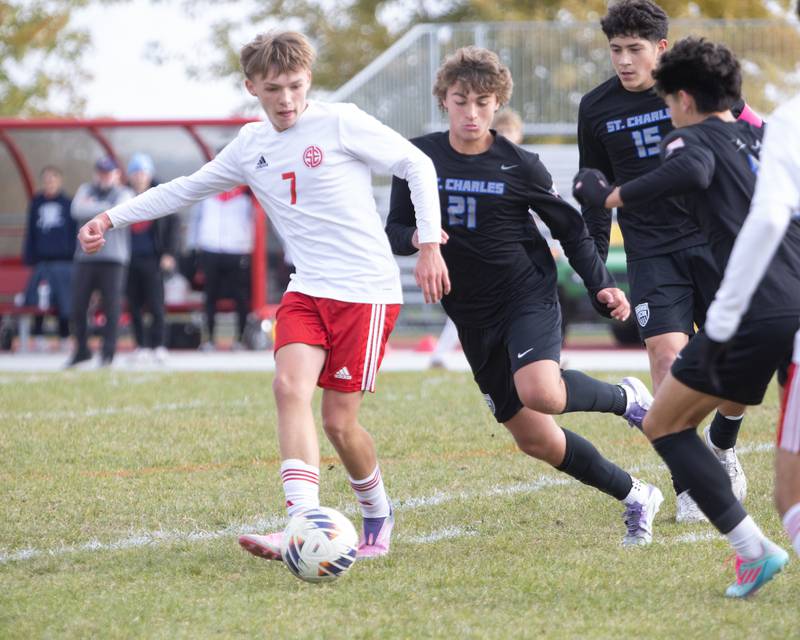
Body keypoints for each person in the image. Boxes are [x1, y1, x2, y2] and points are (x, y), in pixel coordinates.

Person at [76, 31, 449, 560]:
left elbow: (418, 164)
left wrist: (430, 243)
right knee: (287, 387)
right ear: (251, 86)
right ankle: (301, 523)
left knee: (340, 423)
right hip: (306, 289)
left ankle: (377, 511)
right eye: (273, 88)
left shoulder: (340, 121)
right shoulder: (250, 145)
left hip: (366, 291)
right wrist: (110, 217)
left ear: (309, 81)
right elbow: (184, 188)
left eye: (296, 86)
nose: (287, 99)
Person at [387, 46, 662, 547]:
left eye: (483, 102)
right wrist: (418, 244)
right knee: (535, 438)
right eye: (460, 101)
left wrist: (601, 283)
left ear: (498, 104)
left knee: (543, 391)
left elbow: (572, 229)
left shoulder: (521, 165)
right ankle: (637, 495)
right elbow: (395, 229)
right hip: (470, 312)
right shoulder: (417, 159)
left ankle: (627, 398)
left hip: (525, 294)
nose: (471, 113)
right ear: (443, 101)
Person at [573, 37, 798, 597]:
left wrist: (610, 198)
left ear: (684, 98)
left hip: (760, 308)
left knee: (665, 424)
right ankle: (754, 546)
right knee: (788, 483)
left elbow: (692, 168)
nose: (667, 110)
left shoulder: (693, 137)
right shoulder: (764, 134)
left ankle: (754, 550)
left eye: (669, 99)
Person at [577, 0, 751, 521]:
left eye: (635, 49)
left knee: (737, 363)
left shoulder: (695, 91)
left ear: (661, 49)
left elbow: (741, 144)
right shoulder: (596, 107)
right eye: (615, 50)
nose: (624, 60)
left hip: (714, 239)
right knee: (667, 360)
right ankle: (691, 485)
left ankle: (723, 443)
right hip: (652, 251)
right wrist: (599, 274)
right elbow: (595, 190)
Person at [699, 32, 800, 573]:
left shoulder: (785, 121)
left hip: (775, 303)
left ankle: (752, 547)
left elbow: (766, 220)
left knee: (790, 500)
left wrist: (723, 317)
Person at [430, 108, 524, 369]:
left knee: (520, 309)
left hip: (505, 252)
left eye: (510, 133)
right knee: (464, 308)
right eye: (501, 132)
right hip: (472, 249)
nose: (505, 137)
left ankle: (536, 359)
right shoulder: (477, 165)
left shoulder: (522, 167)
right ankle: (441, 352)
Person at [67, 157, 133, 368]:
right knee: (78, 306)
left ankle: (108, 353)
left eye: (108, 172)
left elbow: (122, 210)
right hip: (85, 258)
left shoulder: (124, 192)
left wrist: (96, 209)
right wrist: (107, 209)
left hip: (114, 259)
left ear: (117, 174)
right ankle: (82, 350)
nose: (104, 176)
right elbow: (76, 210)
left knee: (112, 307)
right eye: (101, 172)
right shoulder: (86, 189)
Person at [125, 153, 179, 363]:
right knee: (134, 305)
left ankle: (159, 344)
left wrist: (169, 253)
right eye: (135, 173)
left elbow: (173, 226)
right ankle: (141, 345)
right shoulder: (123, 196)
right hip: (129, 259)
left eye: (142, 173)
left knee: (156, 305)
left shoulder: (160, 195)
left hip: (153, 259)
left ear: (149, 175)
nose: (139, 177)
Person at [188, 182, 253, 351]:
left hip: (238, 251)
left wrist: (249, 247)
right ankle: (209, 339)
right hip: (210, 250)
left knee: (240, 297)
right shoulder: (207, 196)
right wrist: (194, 249)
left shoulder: (246, 198)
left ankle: (240, 338)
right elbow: (195, 222)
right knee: (210, 296)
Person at [21, 166, 75, 351]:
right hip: (42, 261)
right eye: (47, 179)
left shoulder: (68, 204)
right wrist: (29, 257)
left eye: (53, 178)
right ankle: (38, 336)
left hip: (64, 261)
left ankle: (64, 336)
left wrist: (74, 255)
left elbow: (73, 232)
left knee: (64, 299)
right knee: (37, 298)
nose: (50, 182)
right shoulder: (36, 203)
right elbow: (31, 233)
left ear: (59, 180)